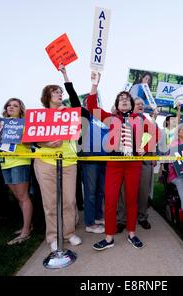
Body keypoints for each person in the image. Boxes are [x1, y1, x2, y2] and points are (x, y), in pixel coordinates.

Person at [86, 71, 160, 251]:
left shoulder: (139, 119)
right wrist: (95, 85)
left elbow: (154, 133)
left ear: (132, 103)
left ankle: (132, 234)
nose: (125, 100)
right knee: (110, 199)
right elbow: (91, 106)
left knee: (132, 199)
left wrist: (144, 146)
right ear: (117, 105)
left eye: (127, 98)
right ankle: (109, 237)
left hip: (134, 163)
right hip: (114, 163)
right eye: (121, 99)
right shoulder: (110, 118)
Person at [33, 65, 82, 252]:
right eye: (55, 92)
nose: (59, 94)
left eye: (61, 92)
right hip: (45, 162)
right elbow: (31, 139)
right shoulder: (40, 115)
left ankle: (69, 233)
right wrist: (45, 144)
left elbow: (77, 134)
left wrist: (65, 74)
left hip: (69, 161)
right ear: (47, 96)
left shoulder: (70, 113)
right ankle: (53, 236)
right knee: (50, 201)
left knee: (69, 200)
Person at [61, 64, 107, 235]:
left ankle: (98, 217)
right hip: (88, 158)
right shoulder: (81, 114)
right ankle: (89, 223)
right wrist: (66, 75)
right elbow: (73, 96)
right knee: (91, 192)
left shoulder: (100, 120)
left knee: (100, 191)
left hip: (104, 160)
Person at [116, 98, 158, 232]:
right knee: (124, 192)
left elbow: (153, 136)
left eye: (142, 105)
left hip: (144, 160)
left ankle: (142, 217)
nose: (141, 106)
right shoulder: (124, 118)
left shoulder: (146, 120)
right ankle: (122, 220)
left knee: (143, 190)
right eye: (138, 104)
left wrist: (152, 154)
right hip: (126, 161)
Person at [0, 98, 34, 245]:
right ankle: (28, 225)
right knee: (18, 197)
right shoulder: (0, 123)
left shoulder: (24, 124)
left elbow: (30, 142)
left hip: (20, 161)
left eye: (15, 105)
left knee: (23, 196)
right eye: (9, 105)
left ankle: (26, 231)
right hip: (4, 162)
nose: (11, 107)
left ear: (21, 110)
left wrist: (18, 135)